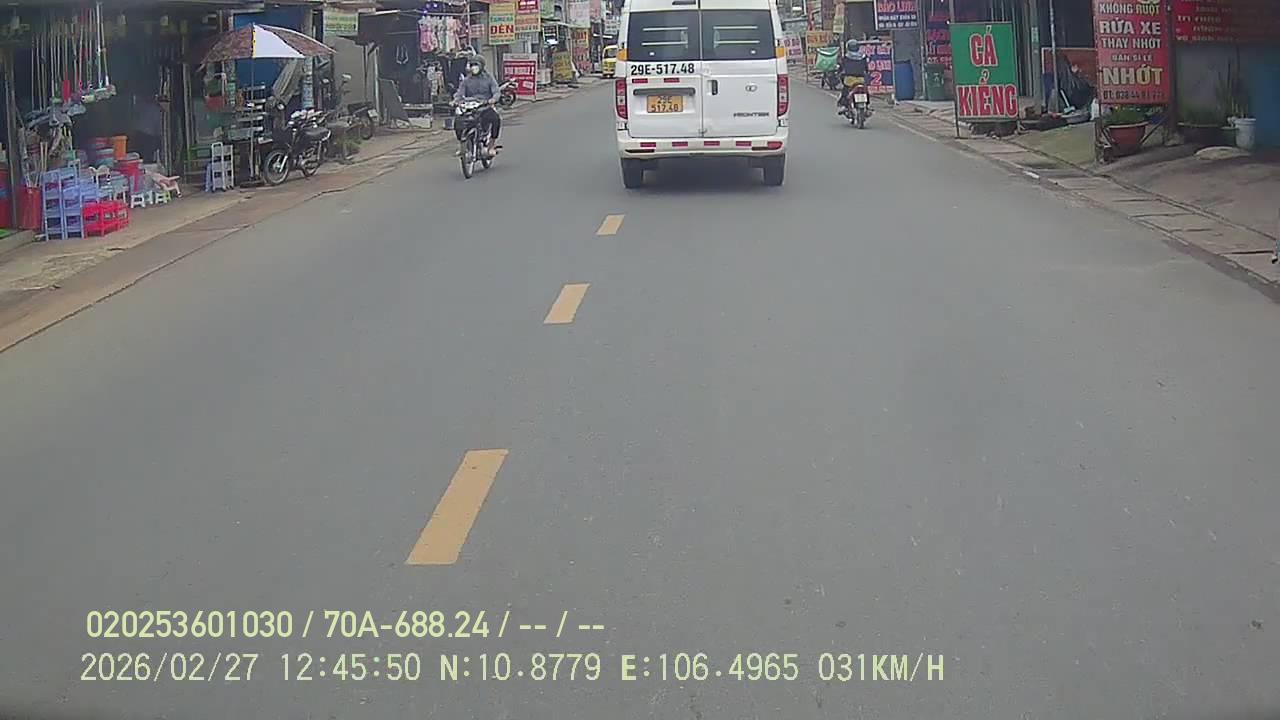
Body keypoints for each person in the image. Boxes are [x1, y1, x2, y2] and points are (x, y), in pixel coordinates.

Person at [452, 56, 502, 158]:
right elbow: (459, 93)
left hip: (485, 106)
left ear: (482, 66)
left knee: (496, 120)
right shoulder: (466, 80)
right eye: (472, 65)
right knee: (458, 122)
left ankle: (491, 145)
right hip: (469, 107)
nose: (474, 67)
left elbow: (496, 91)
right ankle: (462, 146)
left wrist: (493, 99)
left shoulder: (489, 78)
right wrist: (455, 101)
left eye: (476, 65)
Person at [836, 39, 869, 115]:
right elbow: (866, 68)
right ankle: (867, 106)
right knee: (865, 90)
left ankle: (844, 105)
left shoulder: (846, 57)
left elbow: (841, 67)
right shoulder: (863, 56)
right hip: (861, 79)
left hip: (849, 79)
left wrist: (839, 72)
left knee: (845, 90)